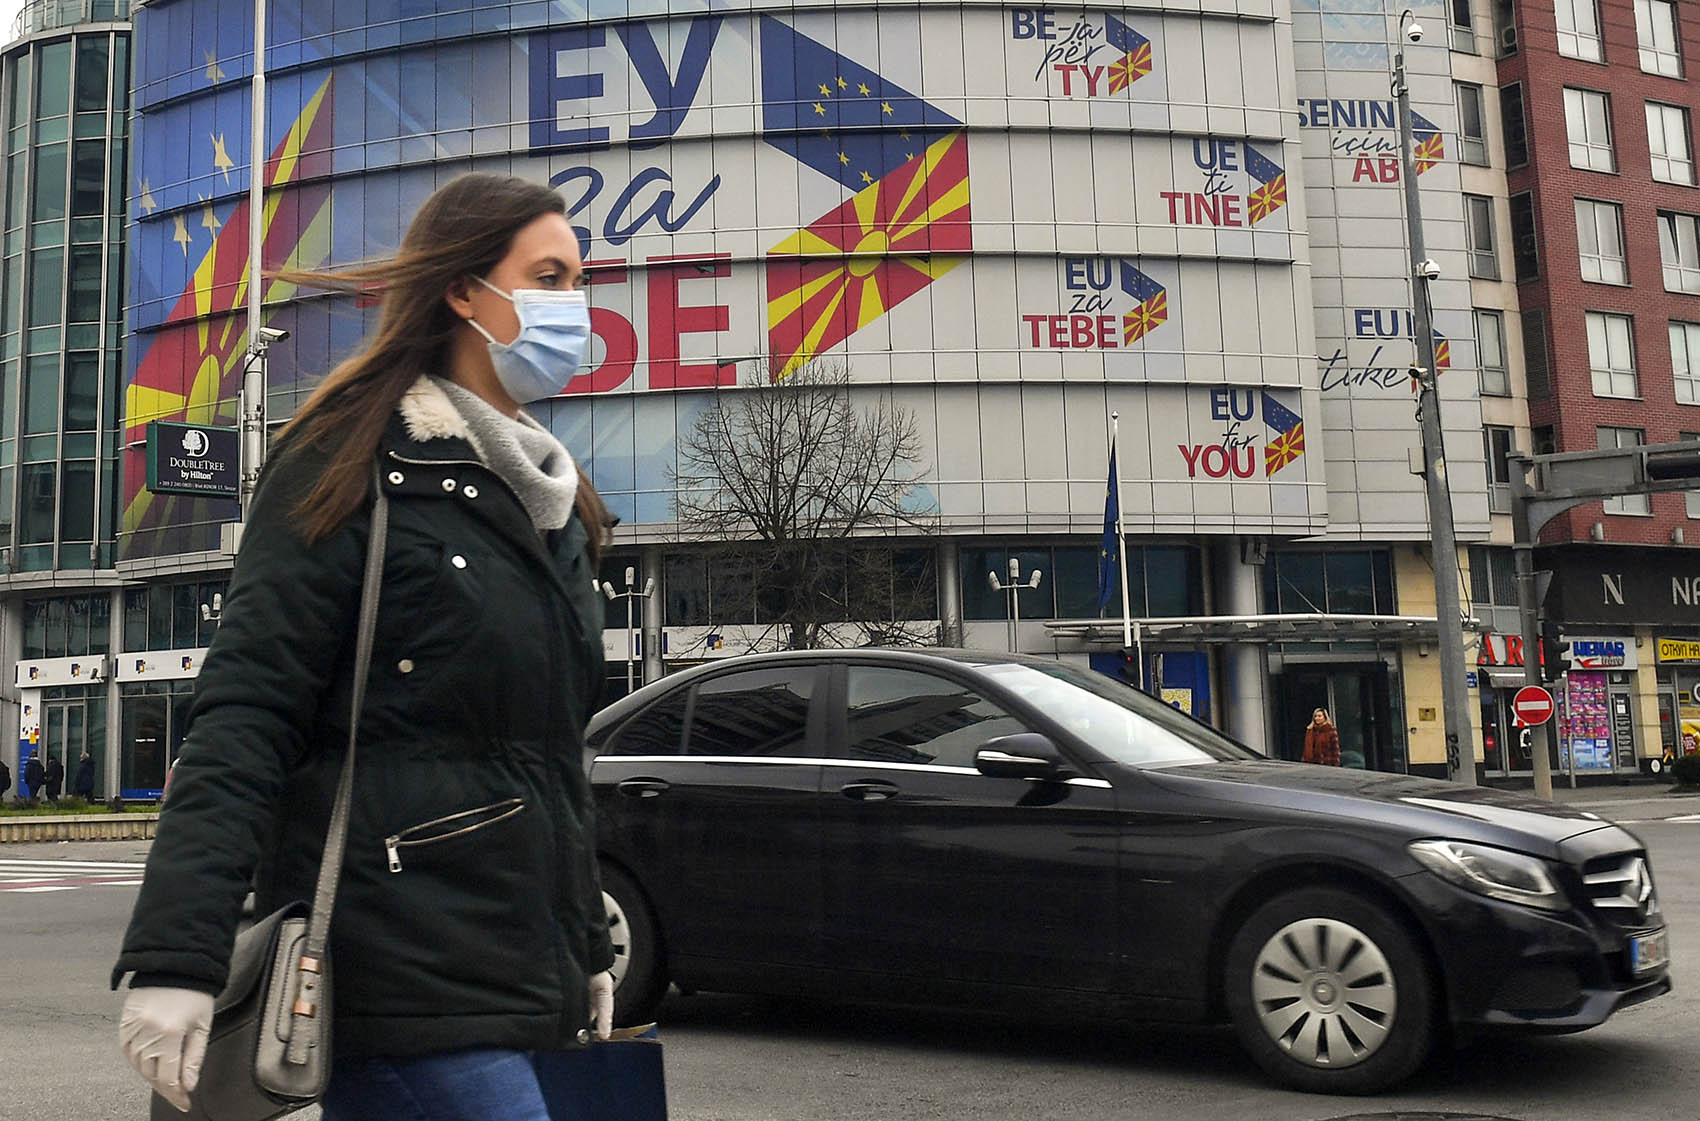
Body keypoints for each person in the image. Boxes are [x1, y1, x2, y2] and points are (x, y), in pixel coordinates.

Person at [113, 174, 616, 1120]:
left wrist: (585, 944)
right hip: (392, 976)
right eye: (548, 277)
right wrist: (178, 954)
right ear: (463, 290)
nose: (572, 306)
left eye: (578, 281)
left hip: (508, 974)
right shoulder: (349, 461)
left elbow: (550, 760)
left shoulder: (553, 499)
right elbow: (247, 711)